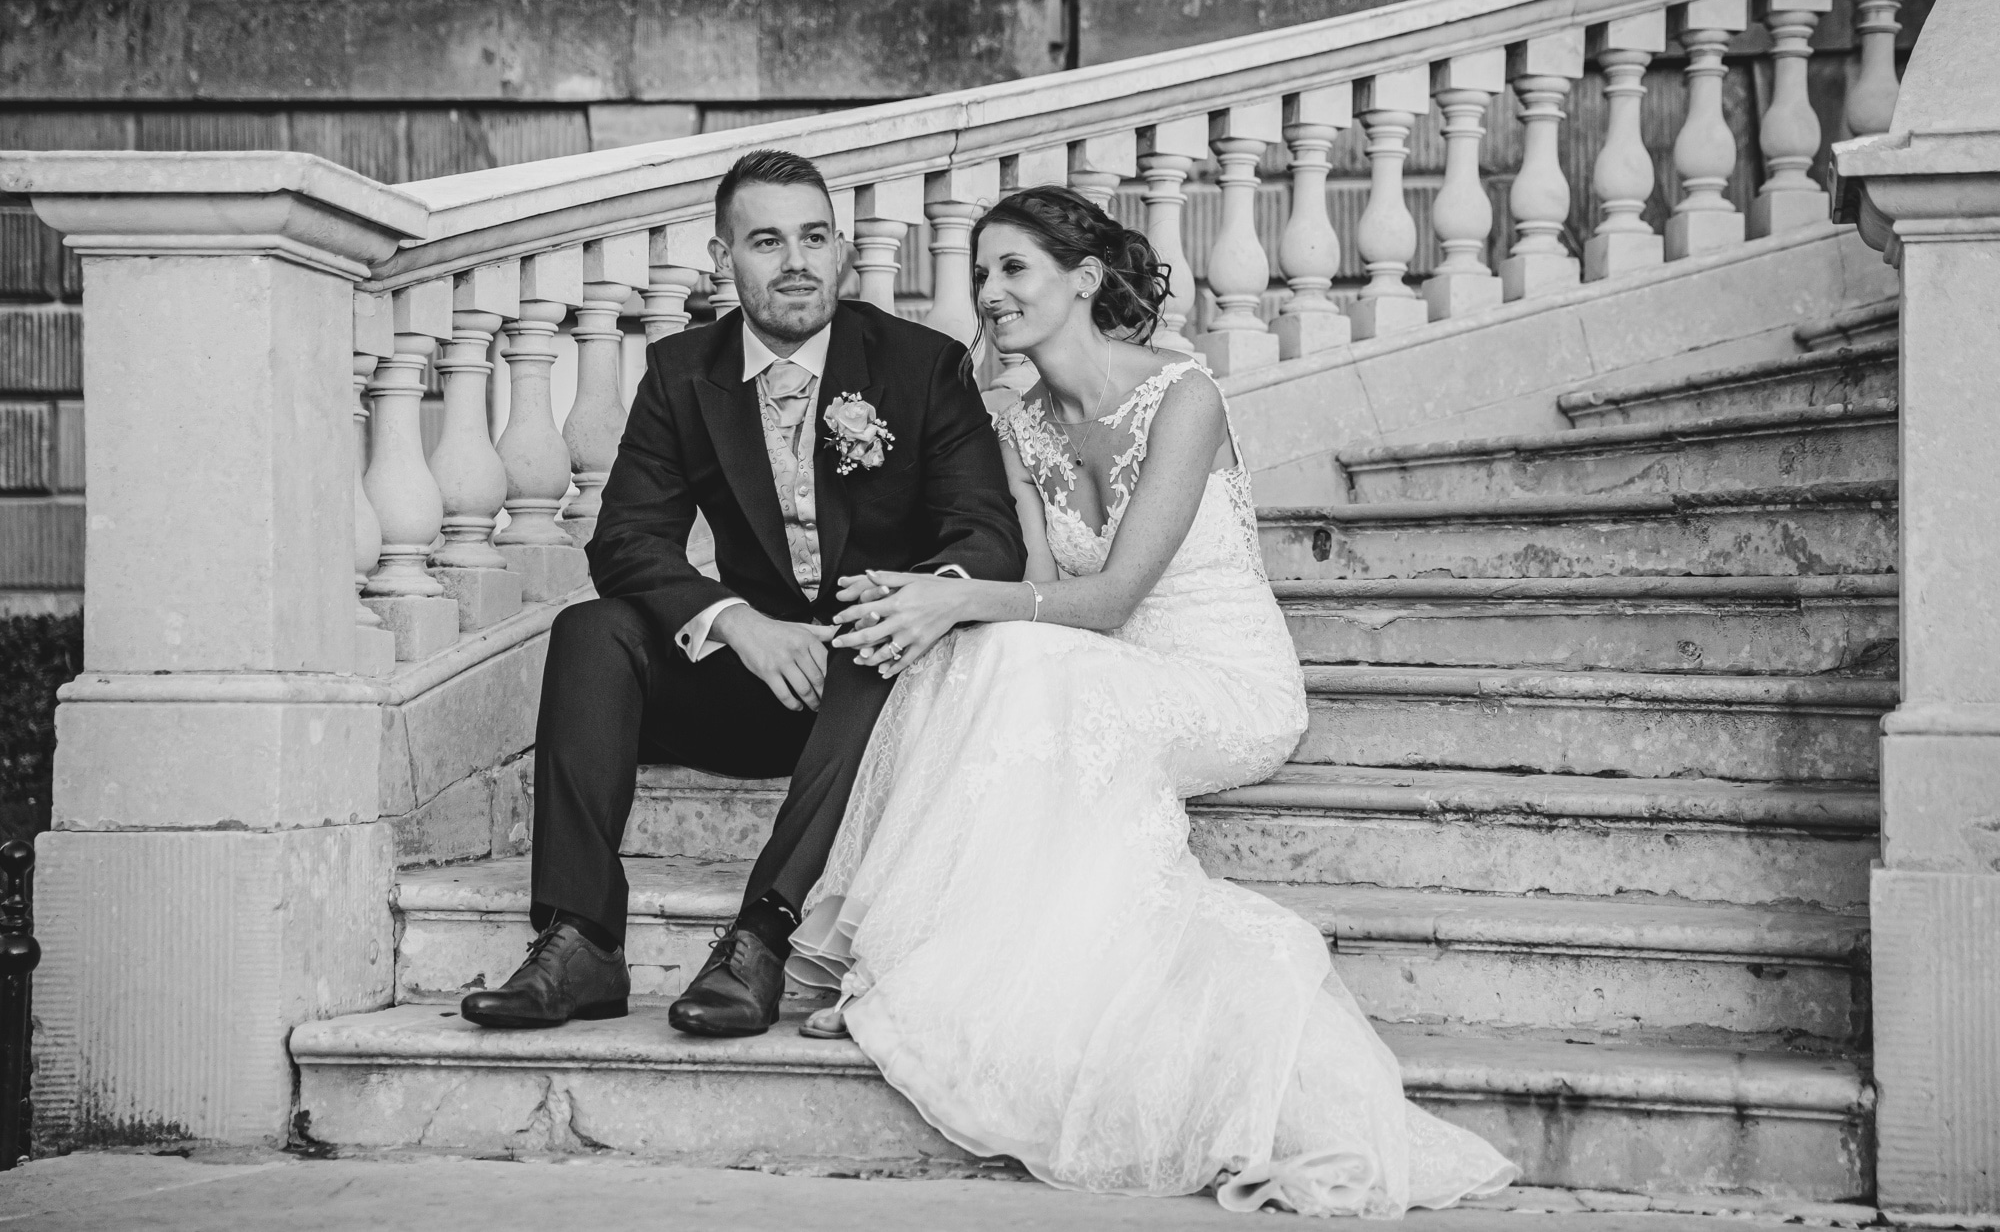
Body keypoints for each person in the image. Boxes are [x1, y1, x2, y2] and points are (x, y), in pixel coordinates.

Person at [779, 186, 1518, 1216]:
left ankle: (871, 951)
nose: (986, 294)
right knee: (993, 653)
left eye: (1011, 270)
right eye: (980, 274)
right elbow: (1040, 604)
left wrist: (946, 597)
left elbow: (1112, 593)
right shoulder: (1018, 426)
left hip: (1221, 681)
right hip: (1101, 669)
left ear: (1082, 279)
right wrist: (956, 607)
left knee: (989, 639)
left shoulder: (1183, 395)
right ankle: (916, 956)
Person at [459, 150, 1026, 1037]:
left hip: (882, 693)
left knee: (875, 650)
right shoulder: (684, 371)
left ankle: (762, 935)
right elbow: (627, 540)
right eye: (768, 241)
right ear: (725, 260)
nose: (798, 261)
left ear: (841, 248)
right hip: (755, 682)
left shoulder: (923, 364)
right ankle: (580, 940)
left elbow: (987, 533)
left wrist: (913, 603)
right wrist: (740, 625)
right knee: (592, 631)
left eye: (814, 237)